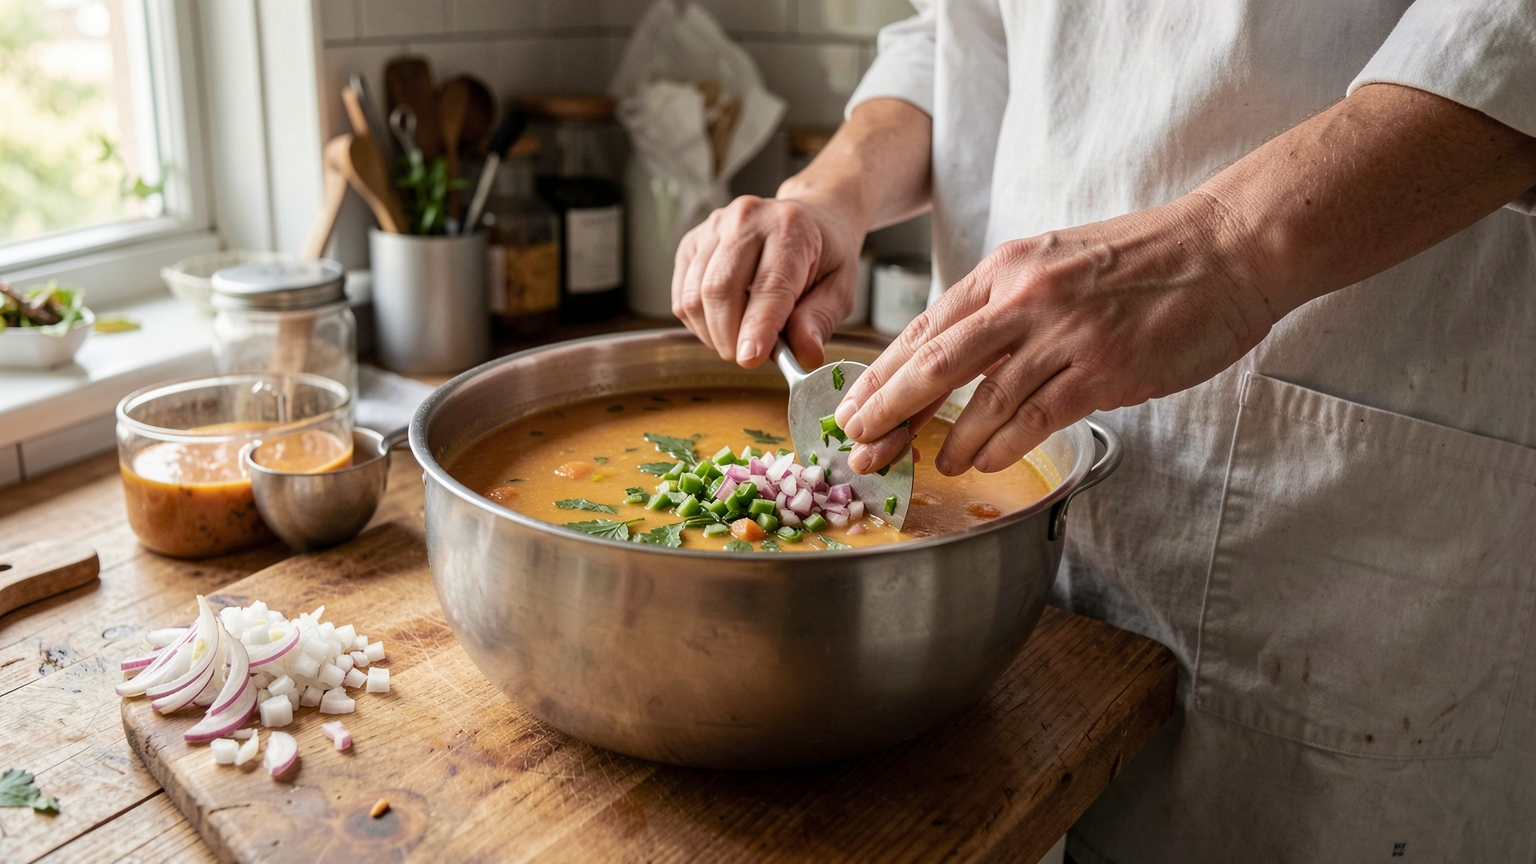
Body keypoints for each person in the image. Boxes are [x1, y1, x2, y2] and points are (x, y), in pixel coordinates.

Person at [671, 1, 1536, 861]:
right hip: (998, 550)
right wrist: (829, 194)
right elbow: (956, 33)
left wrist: (1225, 248)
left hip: (1326, 513)